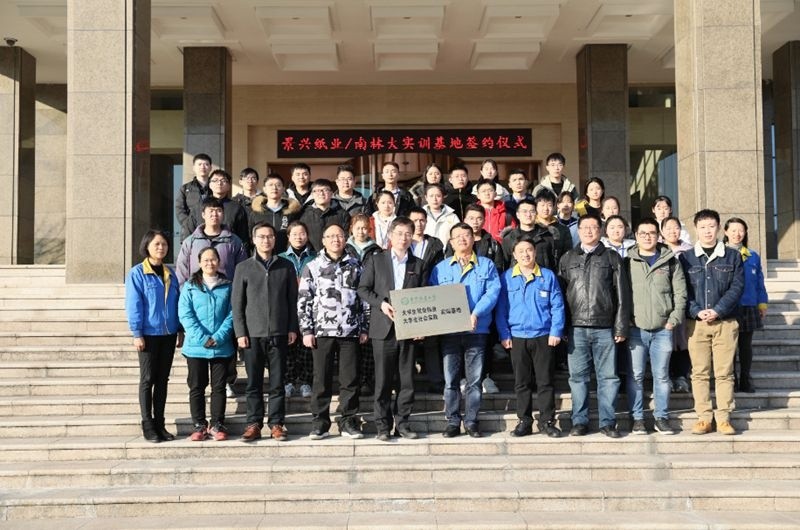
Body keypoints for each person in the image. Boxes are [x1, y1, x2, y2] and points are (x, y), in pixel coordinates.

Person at [558, 214, 631, 438]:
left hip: (605, 327)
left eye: (593, 227)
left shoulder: (611, 257)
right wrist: (562, 327)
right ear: (578, 231)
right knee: (578, 378)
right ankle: (579, 421)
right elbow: (560, 296)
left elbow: (622, 294)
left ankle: (607, 422)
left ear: (600, 231)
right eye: (584, 227)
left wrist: (620, 326)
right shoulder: (568, 258)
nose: (589, 231)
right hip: (576, 328)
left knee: (608, 377)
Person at [297, 224, 369, 439]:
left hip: (350, 330)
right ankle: (320, 422)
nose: (335, 240)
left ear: (345, 239)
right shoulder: (313, 266)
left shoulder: (356, 265)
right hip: (322, 331)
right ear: (323, 240)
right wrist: (306, 330)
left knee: (350, 379)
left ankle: (348, 421)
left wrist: (364, 326)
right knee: (321, 379)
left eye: (339, 236)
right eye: (330, 236)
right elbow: (304, 299)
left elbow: (364, 298)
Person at [358, 217, 428, 441]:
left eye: (408, 234)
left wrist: (421, 326)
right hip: (383, 328)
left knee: (406, 380)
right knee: (383, 380)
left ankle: (403, 423)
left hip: (409, 329)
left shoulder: (418, 264)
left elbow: (424, 296)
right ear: (390, 235)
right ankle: (382, 425)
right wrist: (381, 304)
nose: (403, 238)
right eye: (399, 233)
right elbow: (363, 289)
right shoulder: (376, 260)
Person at [430, 223, 501, 438]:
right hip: (449, 331)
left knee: (474, 380)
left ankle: (471, 421)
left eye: (466, 235)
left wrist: (476, 313)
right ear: (451, 242)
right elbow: (432, 296)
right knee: (450, 380)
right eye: (457, 236)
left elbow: (492, 292)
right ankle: (452, 421)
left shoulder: (486, 265)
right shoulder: (441, 268)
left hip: (477, 330)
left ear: (473, 239)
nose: (462, 239)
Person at [679, 209, 744, 436]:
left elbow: (737, 287)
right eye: (703, 227)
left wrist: (717, 310)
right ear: (696, 229)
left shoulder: (732, 256)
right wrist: (697, 311)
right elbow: (682, 290)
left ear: (718, 228)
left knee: (725, 373)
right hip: (696, 324)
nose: (707, 231)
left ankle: (724, 418)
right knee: (700, 372)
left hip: (725, 322)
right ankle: (704, 418)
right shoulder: (685, 258)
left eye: (711, 226)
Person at [232, 222, 299, 442]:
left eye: (270, 236)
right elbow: (237, 304)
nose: (266, 240)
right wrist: (240, 332)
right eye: (261, 236)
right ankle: (253, 423)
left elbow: (292, 300)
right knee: (254, 383)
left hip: (279, 333)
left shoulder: (286, 266)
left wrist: (292, 327)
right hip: (252, 335)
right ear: (254, 240)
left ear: (275, 239)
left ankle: (277, 423)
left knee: (278, 383)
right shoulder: (243, 267)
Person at [496, 238, 565, 438]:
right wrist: (504, 334)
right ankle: (524, 421)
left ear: (535, 252)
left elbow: (557, 306)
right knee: (522, 382)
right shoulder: (506, 277)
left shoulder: (547, 276)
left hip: (543, 336)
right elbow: (501, 309)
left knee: (545, 381)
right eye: (521, 251)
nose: (525, 254)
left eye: (529, 250)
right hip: (517, 337)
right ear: (514, 255)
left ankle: (547, 421)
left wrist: (556, 331)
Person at [624, 218, 687, 436]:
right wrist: (626, 320)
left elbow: (680, 293)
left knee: (661, 376)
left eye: (652, 233)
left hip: (662, 329)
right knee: (636, 376)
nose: (647, 237)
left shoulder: (670, 261)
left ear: (659, 236)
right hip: (636, 329)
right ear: (636, 236)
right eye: (643, 233)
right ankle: (637, 418)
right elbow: (621, 294)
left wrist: (673, 320)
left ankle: (661, 417)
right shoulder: (627, 262)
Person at [125, 230, 182, 443]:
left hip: (168, 334)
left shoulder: (170, 273)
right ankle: (147, 424)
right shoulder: (137, 273)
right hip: (148, 334)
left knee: (162, 380)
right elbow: (134, 305)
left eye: (164, 244)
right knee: (148, 379)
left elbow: (177, 303)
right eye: (156, 244)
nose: (161, 248)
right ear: (147, 246)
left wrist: (179, 329)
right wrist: (136, 333)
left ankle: (160, 424)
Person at [178, 247, 235, 442]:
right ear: (199, 263)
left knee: (219, 387)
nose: (210, 263)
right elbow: (185, 314)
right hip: (196, 346)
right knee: (197, 387)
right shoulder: (190, 286)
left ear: (219, 262)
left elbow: (233, 313)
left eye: (213, 259)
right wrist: (202, 337)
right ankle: (199, 425)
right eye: (206, 260)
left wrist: (219, 336)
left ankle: (217, 423)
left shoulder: (228, 286)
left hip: (221, 345)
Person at [723, 217, 768, 393]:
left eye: (741, 230)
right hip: (727, 306)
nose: (737, 234)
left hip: (748, 305)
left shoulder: (752, 256)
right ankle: (731, 380)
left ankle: (745, 379)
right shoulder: (721, 254)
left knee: (745, 346)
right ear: (726, 232)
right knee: (729, 346)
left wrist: (762, 304)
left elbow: (759, 282)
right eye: (733, 230)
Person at [408, 206, 445, 392]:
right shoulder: (402, 243)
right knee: (408, 344)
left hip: (429, 296)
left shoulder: (435, 245)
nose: (418, 224)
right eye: (414, 220)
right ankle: (407, 384)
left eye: (422, 220)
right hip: (407, 298)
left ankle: (436, 383)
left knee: (431, 343)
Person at [344, 213, 380, 397]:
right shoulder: (344, 247)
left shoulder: (376, 250)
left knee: (367, 342)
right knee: (351, 344)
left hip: (369, 298)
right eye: (358, 228)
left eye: (365, 228)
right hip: (348, 298)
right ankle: (352, 381)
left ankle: (366, 380)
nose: (361, 231)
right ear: (351, 229)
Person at [176, 198, 249, 286]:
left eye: (218, 211)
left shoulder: (234, 241)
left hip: (225, 291)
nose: (214, 214)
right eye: (211, 211)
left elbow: (242, 271)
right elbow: (181, 272)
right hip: (196, 292)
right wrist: (184, 291)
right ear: (203, 214)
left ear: (223, 214)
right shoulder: (190, 242)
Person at [280, 221, 316, 399]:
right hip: (287, 306)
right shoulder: (281, 258)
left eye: (302, 233)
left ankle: (305, 381)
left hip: (310, 307)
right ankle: (288, 381)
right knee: (288, 346)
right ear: (288, 236)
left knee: (306, 347)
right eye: (294, 234)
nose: (298, 237)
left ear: (307, 235)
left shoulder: (315, 257)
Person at [661, 215, 694, 393]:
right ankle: (666, 376)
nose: (672, 231)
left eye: (676, 228)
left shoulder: (689, 251)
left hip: (685, 301)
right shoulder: (657, 250)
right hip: (663, 302)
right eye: (668, 228)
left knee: (682, 339)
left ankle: (681, 376)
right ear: (661, 231)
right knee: (666, 339)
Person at [190, 169, 250, 245]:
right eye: (215, 180)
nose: (219, 183)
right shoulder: (199, 206)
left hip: (229, 248)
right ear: (209, 185)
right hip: (202, 248)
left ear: (229, 186)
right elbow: (188, 231)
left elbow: (243, 236)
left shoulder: (236, 208)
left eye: (223, 180)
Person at [249, 173, 301, 254]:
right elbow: (250, 237)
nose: (274, 188)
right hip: (262, 256)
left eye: (278, 185)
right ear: (264, 189)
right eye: (270, 185)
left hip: (286, 256)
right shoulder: (256, 213)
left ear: (283, 189)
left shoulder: (292, 212)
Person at [299, 178, 351, 252]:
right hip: (312, 256)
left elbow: (346, 238)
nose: (321, 193)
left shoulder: (343, 214)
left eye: (325, 190)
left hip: (336, 255)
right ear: (312, 194)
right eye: (317, 191)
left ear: (331, 193)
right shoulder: (304, 214)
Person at [175, 153, 211, 242]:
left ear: (210, 168)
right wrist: (189, 224)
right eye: (199, 164)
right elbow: (179, 210)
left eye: (206, 164)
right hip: (190, 233)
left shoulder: (215, 188)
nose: (203, 167)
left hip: (212, 230)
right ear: (194, 168)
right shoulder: (185, 188)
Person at [475, 178, 514, 243]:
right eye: (483, 191)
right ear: (478, 195)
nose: (487, 193)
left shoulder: (505, 214)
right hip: (478, 247)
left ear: (495, 194)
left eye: (490, 190)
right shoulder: (473, 213)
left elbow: (514, 234)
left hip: (500, 247)